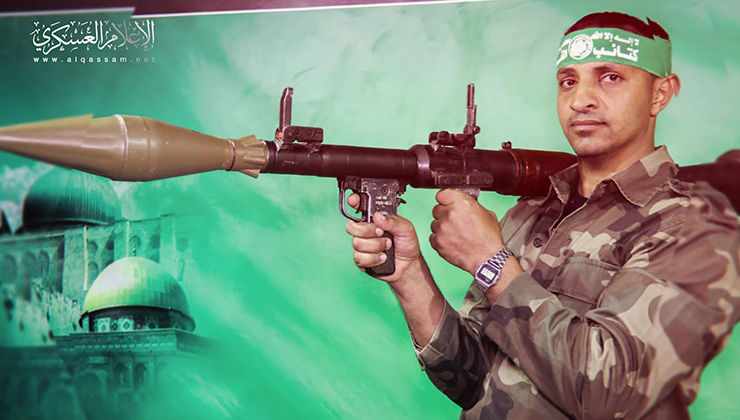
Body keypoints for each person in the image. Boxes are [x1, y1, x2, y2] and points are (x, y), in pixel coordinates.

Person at [345, 11, 740, 420]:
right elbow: (472, 381)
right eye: (568, 81)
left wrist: (491, 262)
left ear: (660, 93)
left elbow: (609, 397)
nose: (581, 100)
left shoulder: (699, 228)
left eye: (610, 77)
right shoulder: (529, 213)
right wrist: (409, 274)